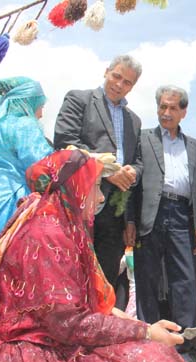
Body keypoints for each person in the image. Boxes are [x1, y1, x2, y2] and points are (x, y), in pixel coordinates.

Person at [0, 149, 196, 362]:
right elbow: (68, 323)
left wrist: (145, 327)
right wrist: (145, 333)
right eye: (95, 187)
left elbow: (90, 307)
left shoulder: (60, 226)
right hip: (41, 347)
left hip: (65, 339)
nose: (101, 197)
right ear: (74, 188)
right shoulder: (48, 235)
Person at [54, 55, 143, 309]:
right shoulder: (79, 99)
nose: (119, 84)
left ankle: (99, 328)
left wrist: (132, 172)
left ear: (132, 87)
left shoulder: (134, 120)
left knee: (105, 279)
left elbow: (138, 161)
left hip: (116, 212)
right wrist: (106, 170)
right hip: (80, 203)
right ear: (106, 71)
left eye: (127, 82)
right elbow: (65, 142)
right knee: (72, 274)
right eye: (116, 76)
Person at [131, 86, 196, 362]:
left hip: (182, 215)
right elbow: (134, 184)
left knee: (184, 281)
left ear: (183, 112)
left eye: (173, 108)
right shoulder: (143, 138)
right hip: (150, 213)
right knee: (147, 278)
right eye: (162, 107)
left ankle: (184, 347)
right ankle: (150, 345)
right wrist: (130, 220)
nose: (166, 113)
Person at [0, 76, 52, 244]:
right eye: (40, 106)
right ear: (28, 103)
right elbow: (42, 163)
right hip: (13, 200)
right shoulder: (24, 125)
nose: (41, 114)